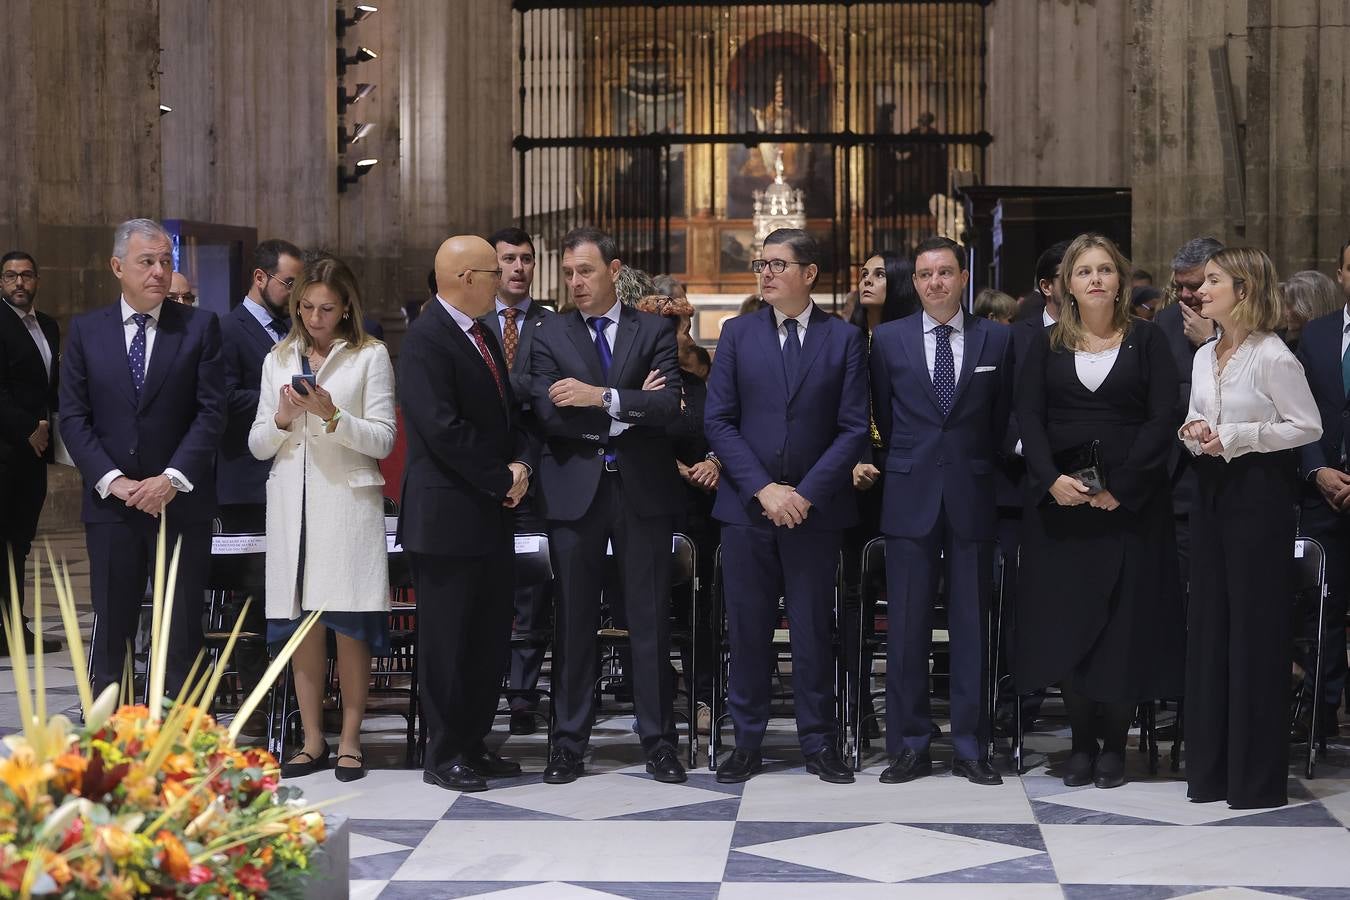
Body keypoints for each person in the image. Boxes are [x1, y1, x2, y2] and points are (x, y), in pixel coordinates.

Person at [1013, 234, 1185, 790]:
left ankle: (1114, 744)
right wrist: (1051, 480)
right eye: (1083, 271)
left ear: (1120, 280)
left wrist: (1124, 487)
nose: (1095, 280)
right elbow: (1028, 418)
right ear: (1066, 282)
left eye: (1105, 270)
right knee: (1070, 623)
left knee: (1123, 625)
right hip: (1062, 508)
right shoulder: (1045, 344)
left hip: (1130, 507)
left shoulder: (1149, 339)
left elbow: (1164, 418)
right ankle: (1080, 743)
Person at [705, 228, 868, 785]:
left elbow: (852, 430)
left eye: (778, 264)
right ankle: (746, 741)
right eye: (761, 264)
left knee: (812, 630)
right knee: (747, 630)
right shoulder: (736, 333)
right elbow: (719, 421)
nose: (766, 274)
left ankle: (818, 742)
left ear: (809, 274)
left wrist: (803, 493)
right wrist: (765, 489)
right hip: (748, 510)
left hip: (815, 511)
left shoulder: (843, 339)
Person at [530, 226, 686, 785]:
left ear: (613, 270)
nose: (575, 282)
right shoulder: (550, 332)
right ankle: (568, 743)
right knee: (573, 621)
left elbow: (669, 404)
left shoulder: (652, 327)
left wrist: (600, 398)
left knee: (648, 619)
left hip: (641, 490)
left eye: (586, 271)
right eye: (568, 273)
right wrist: (629, 407)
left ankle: (660, 742)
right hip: (575, 491)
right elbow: (548, 413)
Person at [59, 218, 225, 696]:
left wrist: (170, 478)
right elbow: (73, 417)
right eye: (146, 262)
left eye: (165, 262)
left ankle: (181, 739)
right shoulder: (88, 331)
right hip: (113, 506)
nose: (158, 272)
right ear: (117, 267)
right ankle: (112, 737)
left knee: (180, 626)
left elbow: (211, 414)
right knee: (112, 626)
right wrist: (113, 480)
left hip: (180, 503)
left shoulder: (198, 328)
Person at [868, 236, 1012, 786]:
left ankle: (972, 746)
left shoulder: (996, 340)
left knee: (973, 626)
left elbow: (1002, 419)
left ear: (963, 275)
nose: (935, 283)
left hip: (973, 492)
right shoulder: (888, 339)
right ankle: (909, 745)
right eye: (925, 274)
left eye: (945, 273)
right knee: (905, 628)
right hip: (909, 495)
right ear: (916, 281)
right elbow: (881, 414)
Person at [1180, 247, 1321, 809]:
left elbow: (1306, 424)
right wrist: (1193, 430)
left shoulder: (1272, 355)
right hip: (1210, 492)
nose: (1200, 290)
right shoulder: (1205, 353)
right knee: (1210, 626)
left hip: (1259, 497)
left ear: (1243, 290)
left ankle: (1255, 779)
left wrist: (1239, 438)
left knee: (1255, 633)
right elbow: (1195, 412)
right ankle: (1211, 772)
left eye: (1212, 281)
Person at [250, 255, 395, 783]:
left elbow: (383, 438)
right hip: (294, 507)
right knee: (301, 628)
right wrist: (284, 418)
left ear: (346, 306)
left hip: (347, 506)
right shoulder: (278, 357)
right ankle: (312, 739)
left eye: (326, 308)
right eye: (306, 306)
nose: (315, 317)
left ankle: (352, 738)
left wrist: (334, 415)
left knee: (350, 627)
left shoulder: (369, 355)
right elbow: (258, 444)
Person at [399, 235, 533, 793]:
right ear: (464, 279)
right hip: (448, 517)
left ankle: (474, 742)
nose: (502, 280)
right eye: (491, 271)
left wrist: (521, 464)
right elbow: (442, 429)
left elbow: (508, 413)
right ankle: (444, 751)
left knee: (485, 640)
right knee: (448, 643)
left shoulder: (476, 333)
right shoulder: (428, 338)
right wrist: (502, 477)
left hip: (488, 516)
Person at [477, 226, 554, 737]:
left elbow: (551, 393)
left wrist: (513, 386)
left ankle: (524, 695)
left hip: (540, 469)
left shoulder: (552, 324)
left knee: (532, 591)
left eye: (526, 259)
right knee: (484, 589)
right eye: (508, 260)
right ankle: (484, 690)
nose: (519, 268)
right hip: (480, 472)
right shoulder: (472, 321)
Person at [635, 292, 719, 734]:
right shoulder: (640, 384)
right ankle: (658, 697)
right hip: (652, 503)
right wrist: (676, 467)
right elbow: (631, 436)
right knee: (650, 608)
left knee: (699, 610)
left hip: (701, 511)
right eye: (668, 328)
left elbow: (724, 427)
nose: (678, 337)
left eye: (682, 327)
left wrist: (713, 462)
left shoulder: (702, 384)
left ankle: (703, 696)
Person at [846, 250, 918, 738]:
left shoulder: (911, 339)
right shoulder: (847, 339)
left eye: (878, 274)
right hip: (852, 478)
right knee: (854, 595)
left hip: (902, 472)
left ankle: (905, 705)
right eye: (863, 275)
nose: (867, 281)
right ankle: (857, 704)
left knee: (907, 597)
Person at [1291, 245, 1350, 744]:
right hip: (1323, 491)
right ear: (1342, 273)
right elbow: (1300, 413)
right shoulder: (1317, 333)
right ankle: (1320, 709)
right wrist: (1315, 470)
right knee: (1322, 607)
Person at [1153, 236, 1226, 587]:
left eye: (1194, 286)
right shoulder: (1165, 323)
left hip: (1229, 478)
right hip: (1174, 482)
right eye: (1179, 285)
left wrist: (1210, 344)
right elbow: (1157, 397)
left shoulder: (1247, 324)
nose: (1184, 295)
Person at [0, 250, 63, 654]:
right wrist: (28, 428)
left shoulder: (48, 326)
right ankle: (8, 631)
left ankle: (12, 624)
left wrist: (48, 429)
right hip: (6, 448)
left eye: (26, 275)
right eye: (10, 277)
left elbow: (47, 386)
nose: (19, 283)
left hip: (33, 453)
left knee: (19, 540)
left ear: (37, 280)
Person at [218, 239, 304, 511]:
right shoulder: (227, 329)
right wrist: (284, 399)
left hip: (294, 470)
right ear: (260, 278)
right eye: (289, 284)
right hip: (247, 476)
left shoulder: (297, 328)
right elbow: (225, 398)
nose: (295, 294)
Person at [1280, 270, 1341, 350]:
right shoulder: (1290, 346)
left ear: (1311, 306)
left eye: (1290, 305)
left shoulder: (1337, 349)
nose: (1285, 312)